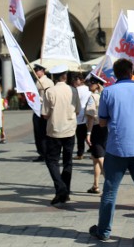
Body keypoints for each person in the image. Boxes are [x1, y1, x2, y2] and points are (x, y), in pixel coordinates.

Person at [89, 58, 134, 244]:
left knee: (110, 191)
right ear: (131, 71)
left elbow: (101, 122)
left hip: (116, 147)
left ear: (115, 74)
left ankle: (104, 230)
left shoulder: (108, 91)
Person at [43, 64, 81, 205]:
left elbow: (45, 114)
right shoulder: (73, 90)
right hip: (69, 129)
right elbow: (77, 111)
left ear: (54, 76)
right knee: (67, 161)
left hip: (54, 130)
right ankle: (65, 192)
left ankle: (61, 188)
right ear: (65, 76)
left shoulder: (50, 91)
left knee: (52, 161)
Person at [85, 74, 106, 194]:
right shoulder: (104, 95)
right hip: (105, 128)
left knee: (99, 157)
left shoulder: (93, 97)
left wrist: (88, 133)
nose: (89, 85)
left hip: (96, 128)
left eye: (91, 83)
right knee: (96, 158)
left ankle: (109, 183)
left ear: (97, 85)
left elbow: (91, 117)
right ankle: (96, 185)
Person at [32, 63, 53, 162]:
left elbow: (47, 96)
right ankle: (43, 152)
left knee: (41, 133)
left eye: (37, 71)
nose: (35, 72)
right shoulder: (40, 81)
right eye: (35, 71)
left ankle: (44, 153)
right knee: (39, 133)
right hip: (39, 108)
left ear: (42, 71)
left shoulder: (45, 82)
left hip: (42, 108)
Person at [71, 72, 91, 160]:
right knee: (89, 135)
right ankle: (94, 152)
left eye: (76, 79)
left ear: (81, 80)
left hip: (79, 115)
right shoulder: (88, 89)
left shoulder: (76, 90)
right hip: (88, 114)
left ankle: (80, 153)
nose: (75, 81)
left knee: (80, 137)